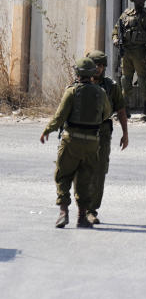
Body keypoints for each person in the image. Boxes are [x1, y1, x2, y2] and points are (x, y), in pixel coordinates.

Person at [40, 58, 110, 228]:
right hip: (92, 142)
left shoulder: (71, 92)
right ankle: (82, 217)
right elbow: (107, 113)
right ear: (92, 73)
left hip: (71, 140)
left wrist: (47, 130)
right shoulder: (101, 92)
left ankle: (63, 212)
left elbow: (59, 117)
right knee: (86, 178)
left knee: (63, 175)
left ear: (77, 73)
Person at [80, 50, 130, 225]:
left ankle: (91, 210)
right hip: (82, 133)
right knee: (82, 171)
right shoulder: (80, 82)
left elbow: (121, 110)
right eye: (95, 65)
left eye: (101, 65)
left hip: (102, 133)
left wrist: (125, 134)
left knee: (100, 171)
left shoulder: (111, 86)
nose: (98, 68)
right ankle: (81, 208)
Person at [112, 0, 146, 120]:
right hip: (126, 52)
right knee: (125, 81)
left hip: (140, 52)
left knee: (143, 81)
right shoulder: (125, 15)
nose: (140, 1)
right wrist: (115, 39)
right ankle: (125, 110)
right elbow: (116, 30)